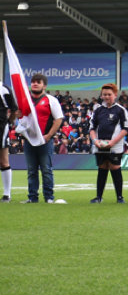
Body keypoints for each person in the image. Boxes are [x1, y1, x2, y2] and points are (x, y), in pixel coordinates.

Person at [18, 73, 65, 204]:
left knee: (46, 170)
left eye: (38, 82)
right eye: (33, 81)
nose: (35, 83)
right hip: (29, 141)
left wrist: (49, 136)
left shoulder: (51, 100)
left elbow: (58, 119)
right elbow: (22, 119)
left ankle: (49, 197)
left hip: (45, 140)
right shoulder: (25, 100)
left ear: (44, 85)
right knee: (31, 171)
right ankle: (32, 198)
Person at [89, 83, 128, 203]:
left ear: (115, 95)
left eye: (109, 94)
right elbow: (91, 128)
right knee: (102, 168)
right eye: (104, 94)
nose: (107, 97)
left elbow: (125, 129)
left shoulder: (121, 110)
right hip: (99, 145)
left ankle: (120, 197)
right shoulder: (97, 110)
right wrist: (95, 140)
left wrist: (112, 142)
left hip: (115, 146)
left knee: (115, 167)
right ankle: (99, 197)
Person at [0, 82, 16, 202]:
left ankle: (7, 194)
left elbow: (14, 109)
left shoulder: (4, 89)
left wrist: (9, 123)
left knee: (3, 161)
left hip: (1, 128)